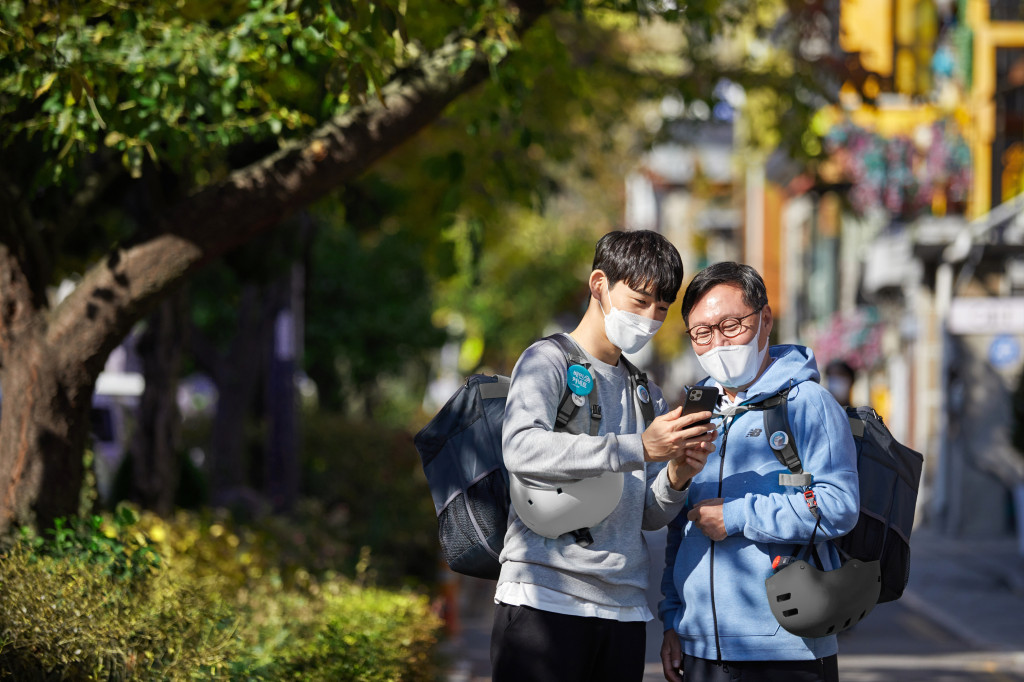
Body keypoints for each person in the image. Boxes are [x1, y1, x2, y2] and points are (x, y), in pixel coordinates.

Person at [492, 229, 718, 682]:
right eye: (639, 300)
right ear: (600, 285)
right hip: (544, 597)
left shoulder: (647, 391)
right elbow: (520, 447)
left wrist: (676, 474)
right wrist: (637, 447)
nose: (650, 317)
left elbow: (648, 515)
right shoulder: (547, 360)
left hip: (623, 609)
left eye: (661, 308)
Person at [659, 262, 859, 682]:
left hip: (789, 646)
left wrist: (737, 515)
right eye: (702, 333)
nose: (717, 343)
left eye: (731, 325)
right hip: (700, 649)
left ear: (765, 319)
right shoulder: (696, 411)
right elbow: (679, 528)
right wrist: (674, 620)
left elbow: (838, 505)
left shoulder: (808, 404)